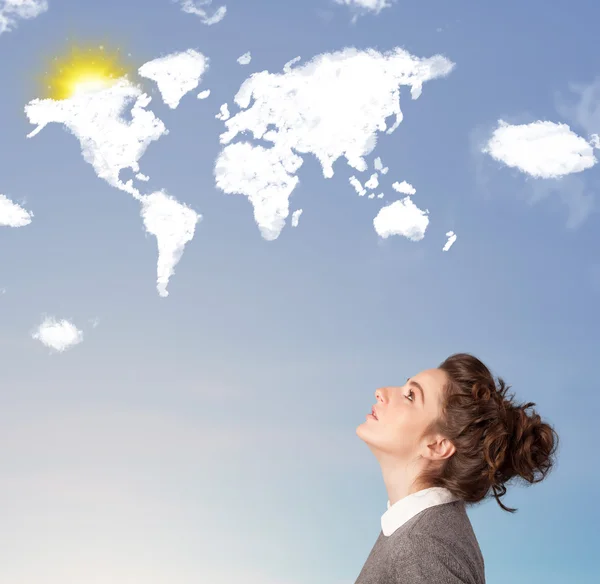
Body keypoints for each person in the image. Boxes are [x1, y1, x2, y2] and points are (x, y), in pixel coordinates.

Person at [354, 353, 559, 584]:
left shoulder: (422, 546)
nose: (381, 392)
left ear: (437, 445)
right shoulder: (419, 530)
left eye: (410, 396)